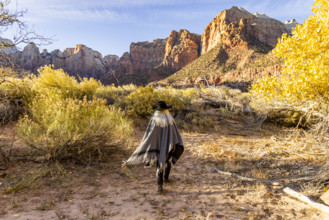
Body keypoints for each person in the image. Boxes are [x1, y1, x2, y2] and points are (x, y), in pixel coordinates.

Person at [123, 101, 184, 193]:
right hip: (169, 145)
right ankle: (166, 178)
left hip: (156, 145)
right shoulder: (170, 119)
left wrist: (148, 143)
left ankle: (160, 186)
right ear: (166, 110)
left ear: (157, 111)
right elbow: (174, 135)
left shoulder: (153, 120)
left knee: (159, 163)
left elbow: (149, 134)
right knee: (168, 160)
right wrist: (174, 144)